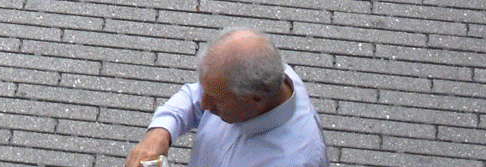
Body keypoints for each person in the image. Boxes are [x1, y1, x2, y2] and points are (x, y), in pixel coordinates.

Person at [122, 27, 331, 167]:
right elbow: (193, 97)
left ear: (257, 99)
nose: (203, 104)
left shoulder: (293, 160)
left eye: (216, 101)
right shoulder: (264, 72)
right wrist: (160, 133)